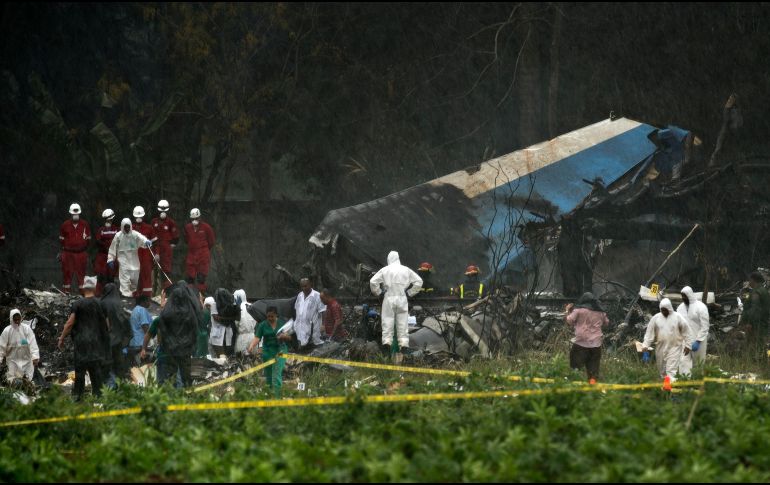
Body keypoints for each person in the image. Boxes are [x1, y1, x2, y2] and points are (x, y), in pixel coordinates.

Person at [58, 276, 110, 399]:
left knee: (80, 372)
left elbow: (70, 323)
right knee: (96, 372)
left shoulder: (77, 304)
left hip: (81, 344)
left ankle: (78, 398)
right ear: (95, 288)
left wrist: (61, 338)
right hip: (96, 344)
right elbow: (107, 325)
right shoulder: (100, 304)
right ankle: (98, 398)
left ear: (83, 288)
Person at [369, 251, 423, 357]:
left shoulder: (385, 270)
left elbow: (372, 282)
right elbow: (419, 281)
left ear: (389, 259)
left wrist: (379, 293)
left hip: (388, 297)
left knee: (387, 322)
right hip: (402, 298)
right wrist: (410, 293)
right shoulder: (406, 270)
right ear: (398, 258)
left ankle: (386, 347)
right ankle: (403, 348)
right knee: (403, 323)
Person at [155, 284, 199, 387]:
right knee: (186, 376)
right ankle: (188, 395)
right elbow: (194, 330)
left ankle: (173, 396)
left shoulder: (167, 313)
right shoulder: (189, 313)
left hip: (171, 349)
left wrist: (169, 342)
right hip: (185, 349)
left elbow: (162, 330)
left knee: (171, 376)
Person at [641, 298, 693, 381]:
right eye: (662, 310)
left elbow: (687, 331)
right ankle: (665, 390)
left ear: (670, 308)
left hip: (675, 347)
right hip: (660, 348)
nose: (664, 312)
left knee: (671, 371)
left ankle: (671, 390)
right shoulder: (656, 318)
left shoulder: (678, 317)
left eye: (666, 310)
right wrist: (645, 346)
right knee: (662, 371)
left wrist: (688, 345)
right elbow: (649, 333)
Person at [247, 306, 292, 397]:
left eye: (272, 316)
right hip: (267, 351)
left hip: (281, 350)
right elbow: (257, 338)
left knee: (276, 372)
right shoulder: (262, 325)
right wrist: (251, 346)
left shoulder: (282, 323)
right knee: (269, 376)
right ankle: (270, 396)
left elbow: (289, 337)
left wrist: (283, 337)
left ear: (276, 315)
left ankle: (277, 397)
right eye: (268, 316)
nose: (270, 318)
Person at [564, 292, 609, 382]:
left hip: (581, 344)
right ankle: (592, 386)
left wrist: (567, 310)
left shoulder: (579, 310)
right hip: (596, 345)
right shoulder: (600, 312)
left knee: (575, 367)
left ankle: (575, 384)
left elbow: (569, 321)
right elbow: (606, 323)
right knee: (593, 370)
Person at [107, 218, 152, 297]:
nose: (127, 229)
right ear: (122, 227)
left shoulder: (134, 234)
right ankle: (125, 295)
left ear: (130, 226)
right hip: (123, 259)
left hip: (134, 259)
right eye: (125, 227)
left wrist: (146, 242)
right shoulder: (118, 236)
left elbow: (141, 238)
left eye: (128, 227)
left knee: (134, 278)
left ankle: (132, 293)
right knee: (124, 278)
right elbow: (112, 248)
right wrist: (111, 259)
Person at [100, 283, 131, 384]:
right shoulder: (118, 304)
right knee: (118, 365)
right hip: (118, 340)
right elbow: (124, 320)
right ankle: (119, 387)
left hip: (105, 341)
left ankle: (107, 389)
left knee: (106, 366)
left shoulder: (102, 303)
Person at [0, 309, 39, 387]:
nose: (17, 321)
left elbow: (32, 343)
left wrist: (35, 356)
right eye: (15, 319)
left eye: (19, 319)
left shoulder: (26, 329)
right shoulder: (7, 331)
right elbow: (1, 347)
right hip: (12, 362)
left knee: (28, 382)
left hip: (27, 361)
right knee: (13, 382)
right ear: (11, 319)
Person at [677, 286, 711, 375]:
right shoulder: (680, 308)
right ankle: (685, 383)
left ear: (690, 295)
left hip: (699, 341)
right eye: (682, 296)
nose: (683, 298)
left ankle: (697, 384)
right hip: (685, 341)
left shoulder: (701, 307)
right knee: (683, 363)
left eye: (685, 296)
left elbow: (705, 326)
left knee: (698, 364)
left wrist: (698, 341)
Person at [59, 203, 91, 294]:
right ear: (71, 214)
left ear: (79, 214)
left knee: (82, 274)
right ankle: (66, 293)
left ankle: (83, 294)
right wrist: (64, 251)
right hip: (68, 253)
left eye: (77, 214)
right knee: (67, 274)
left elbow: (88, 240)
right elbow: (61, 240)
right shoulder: (65, 225)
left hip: (81, 253)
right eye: (74, 214)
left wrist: (83, 248)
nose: (75, 216)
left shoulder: (85, 224)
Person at [183, 208, 215, 293]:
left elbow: (211, 241)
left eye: (196, 218)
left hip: (203, 256)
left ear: (200, 217)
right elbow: (186, 240)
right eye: (193, 219)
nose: (194, 221)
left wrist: (203, 250)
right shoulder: (188, 228)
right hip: (191, 255)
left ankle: (201, 296)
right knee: (190, 277)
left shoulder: (206, 227)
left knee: (201, 278)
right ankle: (190, 295)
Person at [151, 200, 179, 292]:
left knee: (166, 271)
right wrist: (156, 252)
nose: (162, 212)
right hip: (155, 247)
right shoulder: (154, 221)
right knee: (154, 270)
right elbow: (151, 236)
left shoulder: (171, 222)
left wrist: (171, 246)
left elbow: (176, 237)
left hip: (166, 249)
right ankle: (155, 292)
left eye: (164, 210)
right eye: (161, 210)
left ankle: (167, 291)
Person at [94, 209, 119, 296]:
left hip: (112, 255)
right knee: (101, 275)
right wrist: (107, 245)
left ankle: (111, 293)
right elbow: (98, 241)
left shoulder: (116, 229)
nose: (108, 221)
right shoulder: (101, 229)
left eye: (109, 219)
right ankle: (99, 293)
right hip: (102, 255)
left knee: (111, 276)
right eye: (106, 219)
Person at [294, 278, 324, 350]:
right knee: (301, 348)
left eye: (305, 286)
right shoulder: (300, 295)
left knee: (313, 348)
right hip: (300, 328)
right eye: (302, 286)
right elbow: (297, 309)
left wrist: (323, 325)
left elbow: (323, 310)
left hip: (313, 328)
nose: (304, 288)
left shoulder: (317, 296)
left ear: (310, 285)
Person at [132, 206, 156, 297]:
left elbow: (155, 243)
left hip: (146, 257)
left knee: (146, 277)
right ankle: (134, 296)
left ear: (143, 216)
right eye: (137, 216)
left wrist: (156, 254)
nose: (139, 218)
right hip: (134, 257)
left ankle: (146, 297)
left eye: (140, 216)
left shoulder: (149, 228)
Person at [127, 296, 153, 367]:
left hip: (134, 342)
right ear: (143, 302)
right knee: (144, 367)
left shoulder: (135, 310)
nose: (150, 303)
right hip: (141, 344)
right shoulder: (142, 310)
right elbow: (145, 327)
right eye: (148, 301)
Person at [234, 289, 257, 354]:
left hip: (242, 337)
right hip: (252, 337)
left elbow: (236, 323)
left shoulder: (238, 308)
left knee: (241, 360)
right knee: (253, 360)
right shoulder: (252, 306)